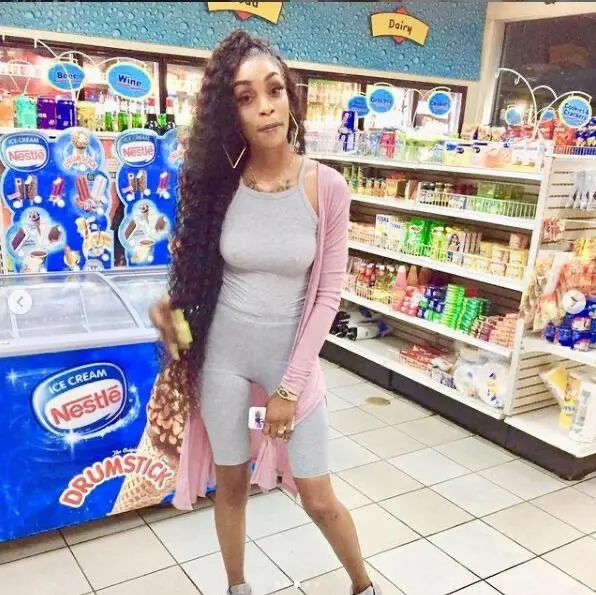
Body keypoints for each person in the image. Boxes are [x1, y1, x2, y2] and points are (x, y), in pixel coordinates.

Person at [150, 30, 380, 595]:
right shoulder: (218, 187)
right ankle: (237, 586)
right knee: (230, 487)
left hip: (290, 364)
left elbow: (327, 296)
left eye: (274, 90)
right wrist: (173, 314)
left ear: (290, 96)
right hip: (223, 359)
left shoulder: (326, 187)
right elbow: (200, 275)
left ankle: (363, 584)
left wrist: (289, 389)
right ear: (231, 113)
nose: (265, 107)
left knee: (318, 497)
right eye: (245, 97)